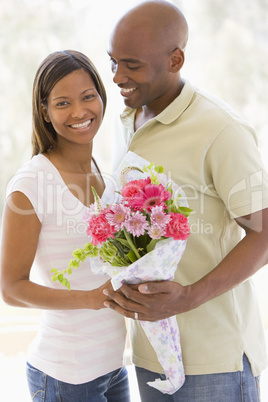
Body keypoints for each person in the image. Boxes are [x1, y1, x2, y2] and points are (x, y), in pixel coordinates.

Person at [103, 1, 268, 401]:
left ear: (175, 59)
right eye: (112, 63)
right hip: (150, 356)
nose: (117, 77)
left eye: (132, 64)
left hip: (214, 365)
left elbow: (264, 234)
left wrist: (189, 297)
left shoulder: (220, 129)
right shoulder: (129, 120)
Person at [0, 50, 130, 402]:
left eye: (88, 97)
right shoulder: (32, 183)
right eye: (63, 103)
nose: (79, 112)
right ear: (44, 111)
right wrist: (89, 299)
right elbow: (11, 288)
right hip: (66, 376)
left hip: (114, 367)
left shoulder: (104, 174)